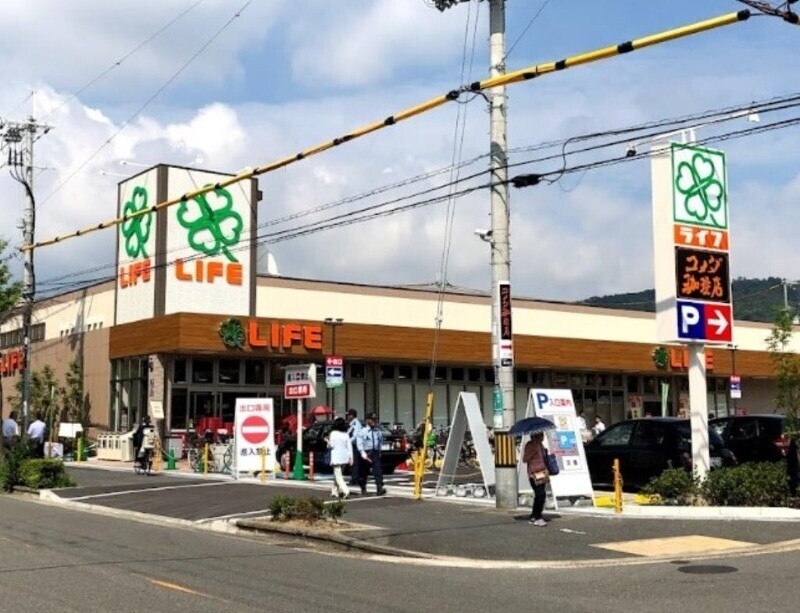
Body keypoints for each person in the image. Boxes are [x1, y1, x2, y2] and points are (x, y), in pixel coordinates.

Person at [522, 432, 550, 526]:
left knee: (540, 495)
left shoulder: (540, 445)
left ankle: (535, 514)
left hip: (542, 472)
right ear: (536, 436)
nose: (543, 437)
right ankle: (538, 516)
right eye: (541, 435)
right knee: (540, 494)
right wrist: (533, 452)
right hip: (534, 474)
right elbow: (525, 459)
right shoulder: (530, 445)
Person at [356, 412, 386, 496]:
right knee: (364, 472)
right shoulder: (362, 431)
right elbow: (359, 443)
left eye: (375, 419)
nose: (373, 421)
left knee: (378, 471)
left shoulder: (378, 431)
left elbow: (380, 441)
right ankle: (363, 488)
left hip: (375, 452)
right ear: (367, 420)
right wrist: (362, 452)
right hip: (366, 453)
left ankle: (379, 488)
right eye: (372, 419)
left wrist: (379, 451)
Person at [327, 417, 352, 499]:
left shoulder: (333, 433)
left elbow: (331, 446)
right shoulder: (346, 434)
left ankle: (345, 490)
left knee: (338, 476)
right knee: (338, 475)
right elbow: (349, 447)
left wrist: (327, 442)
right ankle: (334, 491)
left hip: (336, 457)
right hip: (345, 457)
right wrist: (351, 457)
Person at [346, 409, 362, 486]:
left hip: (356, 445)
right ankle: (355, 478)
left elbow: (355, 436)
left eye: (349, 415)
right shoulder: (352, 423)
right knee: (354, 462)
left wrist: (347, 442)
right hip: (353, 445)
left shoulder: (356, 424)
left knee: (355, 462)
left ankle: (355, 479)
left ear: (352, 415)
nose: (347, 416)